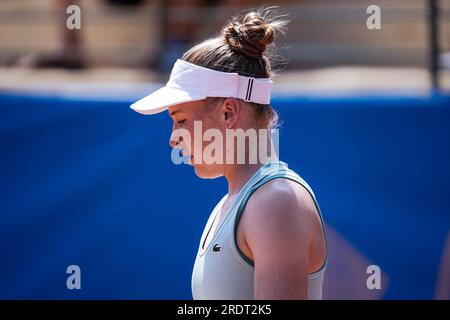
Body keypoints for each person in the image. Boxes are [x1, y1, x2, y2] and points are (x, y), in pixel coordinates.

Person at [130, 7, 327, 300]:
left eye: (181, 120)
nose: (173, 139)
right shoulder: (237, 203)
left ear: (228, 112)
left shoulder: (275, 202)